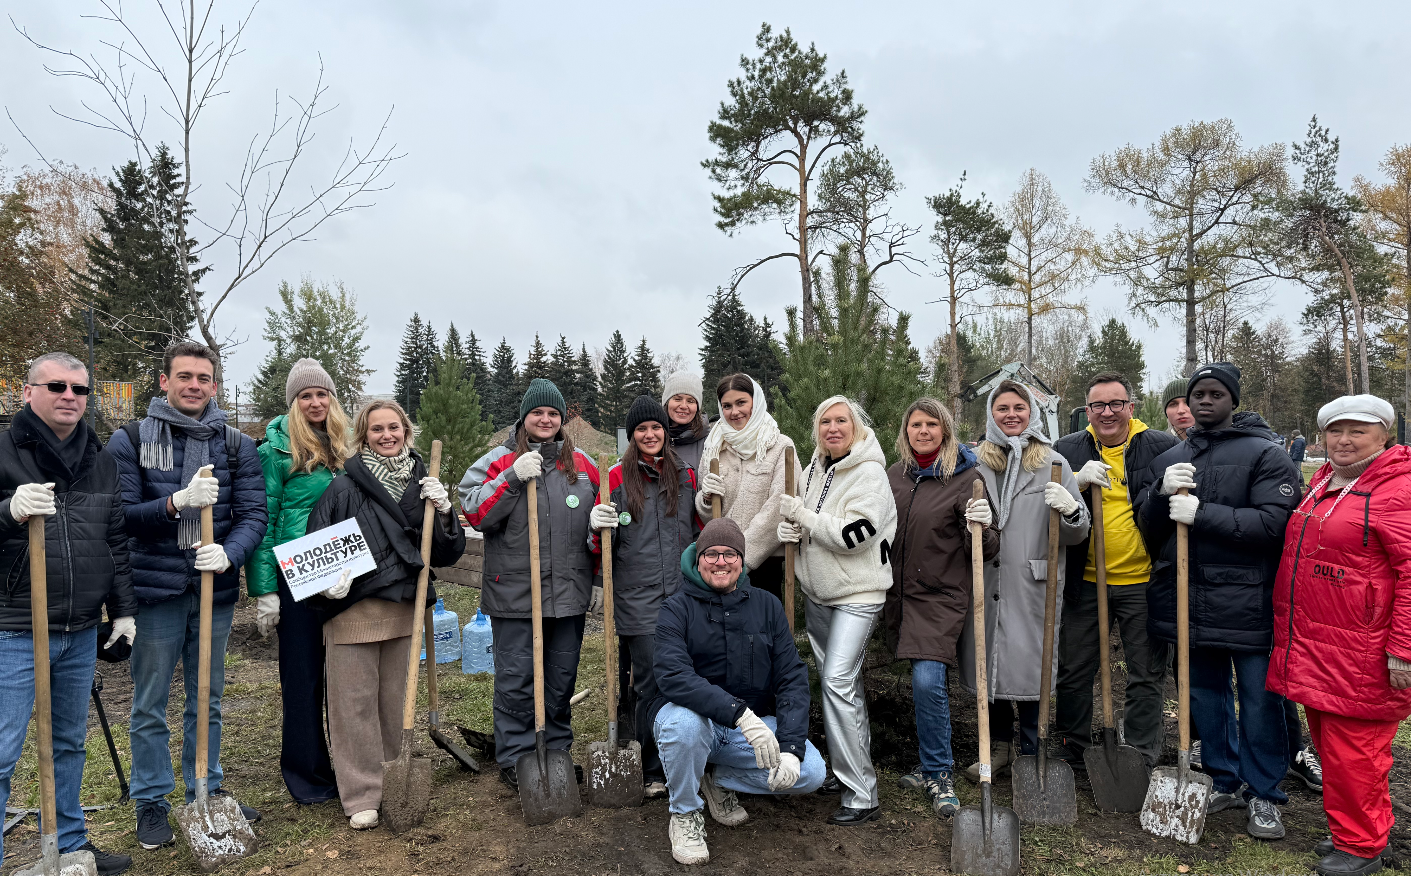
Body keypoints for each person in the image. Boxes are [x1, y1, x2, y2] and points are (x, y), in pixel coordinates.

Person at [106, 341, 268, 851]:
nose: (194, 385)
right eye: (184, 377)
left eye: (203, 378)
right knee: (151, 700)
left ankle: (207, 785)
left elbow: (253, 515)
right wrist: (175, 503)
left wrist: (230, 554)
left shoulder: (237, 445)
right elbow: (121, 516)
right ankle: (152, 798)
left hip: (212, 588)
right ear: (164, 381)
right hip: (154, 591)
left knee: (209, 695)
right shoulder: (129, 440)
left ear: (214, 385)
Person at [1137, 363, 1300, 841]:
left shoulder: (1266, 455)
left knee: (1258, 702)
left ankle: (1265, 793)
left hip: (1247, 601)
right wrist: (1157, 497)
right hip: (1186, 599)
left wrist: (1203, 513)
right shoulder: (1173, 457)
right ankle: (1222, 778)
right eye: (1196, 395)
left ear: (1232, 400)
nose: (1203, 402)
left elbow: (1275, 526)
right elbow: (1151, 532)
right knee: (1204, 697)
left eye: (1214, 394)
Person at [0, 353, 137, 875]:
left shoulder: (99, 459)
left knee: (67, 744)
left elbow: (115, 540)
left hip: (78, 630)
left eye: (80, 389)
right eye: (57, 385)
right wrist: (7, 511)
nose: (70, 396)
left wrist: (123, 612)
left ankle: (69, 847)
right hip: (13, 628)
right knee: (2, 753)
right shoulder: (4, 449)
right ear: (28, 391)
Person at [1267, 395, 1411, 876]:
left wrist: (1404, 648)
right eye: (1335, 431)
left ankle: (1364, 845)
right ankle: (1359, 828)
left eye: (1358, 431)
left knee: (1358, 750)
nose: (1344, 441)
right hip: (1319, 641)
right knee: (1334, 745)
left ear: (1384, 435)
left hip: (1364, 647)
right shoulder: (1325, 481)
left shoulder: (1398, 490)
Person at [305, 399, 464, 829]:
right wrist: (325, 582)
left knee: (397, 702)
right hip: (353, 608)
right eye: (376, 429)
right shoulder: (343, 487)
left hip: (405, 609)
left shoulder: (424, 484)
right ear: (363, 436)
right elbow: (314, 546)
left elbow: (447, 553)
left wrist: (446, 512)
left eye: (394, 427)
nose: (387, 435)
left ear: (406, 432)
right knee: (352, 704)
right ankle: (361, 794)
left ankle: (395, 778)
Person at [651, 517, 826, 865]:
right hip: (694, 722)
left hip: (747, 730)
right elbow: (673, 675)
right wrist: (740, 714)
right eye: (711, 554)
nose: (720, 562)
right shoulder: (676, 608)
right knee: (684, 727)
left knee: (811, 772)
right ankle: (684, 813)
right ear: (697, 559)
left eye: (730, 554)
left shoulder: (766, 606)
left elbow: (791, 677)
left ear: (742, 561)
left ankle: (717, 779)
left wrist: (790, 747)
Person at [459, 378, 600, 788]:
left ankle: (555, 753)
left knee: (561, 676)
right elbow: (475, 513)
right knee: (518, 677)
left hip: (568, 594)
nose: (545, 419)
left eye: (553, 413)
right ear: (524, 417)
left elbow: (596, 529)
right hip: (515, 592)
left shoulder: (583, 465)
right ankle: (517, 756)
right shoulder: (498, 460)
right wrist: (512, 479)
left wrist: (596, 581)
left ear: (562, 419)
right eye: (537, 413)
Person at [960, 381, 1089, 781]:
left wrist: (1070, 511)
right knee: (990, 663)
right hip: (987, 579)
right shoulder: (975, 464)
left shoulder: (1053, 463)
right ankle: (998, 747)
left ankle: (1034, 751)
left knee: (1032, 668)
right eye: (1002, 408)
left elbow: (1077, 531)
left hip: (1032, 583)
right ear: (990, 414)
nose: (1011, 415)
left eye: (1019, 407)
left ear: (1031, 413)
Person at [777, 396, 897, 826]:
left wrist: (804, 518)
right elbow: (809, 523)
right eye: (824, 421)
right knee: (844, 688)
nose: (832, 428)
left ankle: (863, 795)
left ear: (856, 426)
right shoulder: (815, 469)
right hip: (820, 593)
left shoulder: (869, 474)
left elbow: (856, 535)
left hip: (858, 594)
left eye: (840, 420)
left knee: (836, 681)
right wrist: (790, 529)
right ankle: (847, 774)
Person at [1052, 371, 1178, 769]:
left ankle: (1139, 753)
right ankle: (1073, 746)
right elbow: (1046, 492)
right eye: (1097, 406)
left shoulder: (1160, 446)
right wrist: (1074, 479)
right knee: (1074, 668)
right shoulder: (1067, 448)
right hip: (1085, 580)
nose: (1107, 413)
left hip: (1143, 580)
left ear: (1131, 407)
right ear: (1086, 411)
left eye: (1115, 404)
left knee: (1145, 671)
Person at [884, 397, 999, 818]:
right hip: (893, 594)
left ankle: (938, 771)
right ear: (906, 431)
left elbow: (987, 549)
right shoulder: (895, 475)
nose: (924, 431)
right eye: (916, 424)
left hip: (939, 595)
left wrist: (982, 524)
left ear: (945, 431)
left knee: (928, 679)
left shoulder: (966, 478)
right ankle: (922, 764)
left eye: (932, 424)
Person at [244, 359, 350, 804]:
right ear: (292, 403)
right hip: (298, 574)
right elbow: (262, 518)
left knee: (347, 677)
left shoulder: (347, 445)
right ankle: (309, 777)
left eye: (321, 394)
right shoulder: (275, 451)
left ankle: (352, 768)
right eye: (305, 396)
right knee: (303, 677)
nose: (314, 402)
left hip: (345, 568)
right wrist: (265, 588)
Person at [592, 396, 701, 799]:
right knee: (650, 681)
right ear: (632, 435)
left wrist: (708, 505)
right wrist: (596, 526)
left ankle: (688, 758)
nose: (650, 434)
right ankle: (654, 768)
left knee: (688, 675)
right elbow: (602, 545)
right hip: (638, 597)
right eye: (642, 429)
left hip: (684, 594)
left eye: (656, 427)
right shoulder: (617, 479)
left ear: (664, 431)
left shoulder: (686, 475)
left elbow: (701, 530)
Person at [694, 373, 802, 602]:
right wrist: (705, 498)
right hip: (720, 564)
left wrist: (743, 555)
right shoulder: (714, 447)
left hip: (765, 560)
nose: (735, 412)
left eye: (741, 403)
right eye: (727, 405)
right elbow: (708, 511)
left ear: (756, 401)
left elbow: (778, 507)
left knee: (761, 631)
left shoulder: (779, 446)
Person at [662, 372, 709, 472]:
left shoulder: (710, 442)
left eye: (690, 401)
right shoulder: (653, 437)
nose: (683, 406)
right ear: (667, 402)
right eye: (677, 399)